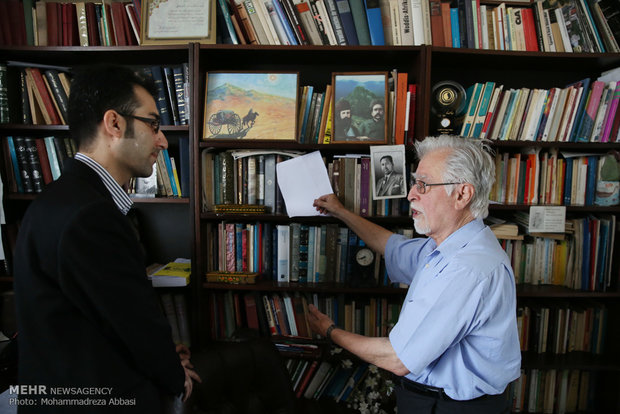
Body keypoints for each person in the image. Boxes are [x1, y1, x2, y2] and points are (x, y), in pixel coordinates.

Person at [13, 64, 200, 413]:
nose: (162, 140)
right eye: (153, 124)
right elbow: (135, 326)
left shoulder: (60, 198)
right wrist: (177, 376)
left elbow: (99, 319)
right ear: (114, 123)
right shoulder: (90, 215)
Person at [310, 135, 521, 413]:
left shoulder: (467, 268)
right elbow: (390, 246)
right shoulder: (448, 246)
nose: (411, 194)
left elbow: (397, 359)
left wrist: (330, 331)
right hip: (432, 399)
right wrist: (340, 212)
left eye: (423, 184)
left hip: (451, 407)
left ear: (462, 194)